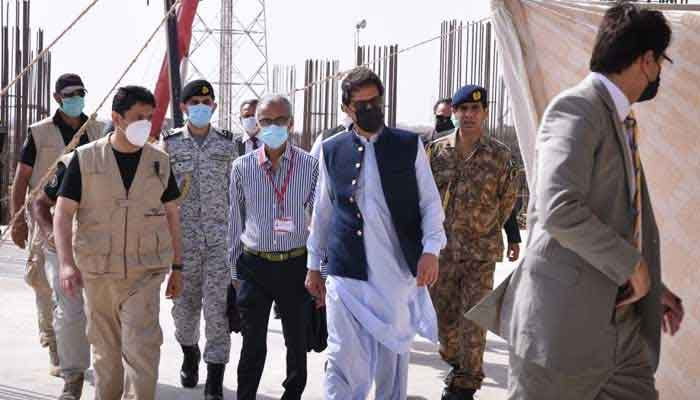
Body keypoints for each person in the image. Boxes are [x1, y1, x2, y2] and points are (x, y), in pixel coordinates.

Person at [467, 3, 684, 399]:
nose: (659, 74)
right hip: (560, 335)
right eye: (661, 62)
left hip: (620, 332)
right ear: (647, 60)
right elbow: (558, 208)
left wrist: (653, 285)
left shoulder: (619, 120)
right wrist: (630, 264)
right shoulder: (577, 109)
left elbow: (613, 219)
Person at [306, 67, 447, 399]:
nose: (371, 110)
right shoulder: (332, 149)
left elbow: (430, 204)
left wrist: (431, 250)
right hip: (346, 274)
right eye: (361, 104)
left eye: (375, 102)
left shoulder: (408, 145)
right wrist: (313, 264)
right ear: (346, 109)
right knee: (342, 358)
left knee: (391, 366)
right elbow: (323, 212)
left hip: (396, 276)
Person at [53, 85, 184, 400]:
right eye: (138, 117)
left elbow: (172, 215)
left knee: (142, 346)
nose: (146, 124)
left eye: (150, 117)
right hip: (99, 274)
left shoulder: (159, 162)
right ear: (116, 118)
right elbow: (62, 214)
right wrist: (67, 264)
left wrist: (178, 266)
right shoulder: (83, 160)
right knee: (106, 355)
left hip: (145, 273)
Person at [427, 85, 519, 400]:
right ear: (453, 113)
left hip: (480, 253)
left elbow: (507, 202)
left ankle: (465, 386)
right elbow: (424, 200)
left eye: (475, 110)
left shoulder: (500, 155)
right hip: (442, 254)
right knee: (444, 324)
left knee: (473, 322)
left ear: (484, 113)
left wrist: (483, 226)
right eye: (462, 109)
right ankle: (456, 364)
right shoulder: (436, 152)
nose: (468, 115)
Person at [10, 73, 104, 376]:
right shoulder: (40, 132)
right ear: (57, 98)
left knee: (83, 291)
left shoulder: (98, 130)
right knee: (45, 285)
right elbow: (22, 178)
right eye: (70, 94)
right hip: (45, 219)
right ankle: (53, 344)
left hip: (87, 221)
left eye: (80, 93)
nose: (76, 98)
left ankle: (74, 347)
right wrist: (17, 221)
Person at [228, 94, 318, 400]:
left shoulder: (310, 166)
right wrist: (233, 271)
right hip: (254, 265)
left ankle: (292, 394)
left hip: (295, 264)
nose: (272, 127)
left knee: (297, 340)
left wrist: (320, 270)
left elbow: (320, 221)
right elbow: (234, 222)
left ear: (291, 124)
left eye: (279, 121)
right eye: (265, 121)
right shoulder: (242, 167)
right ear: (257, 124)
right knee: (252, 343)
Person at [163, 79, 235, 399]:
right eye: (194, 102)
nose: (201, 107)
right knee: (184, 310)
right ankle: (190, 352)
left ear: (214, 107)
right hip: (184, 243)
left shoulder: (229, 145)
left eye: (207, 103)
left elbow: (239, 194)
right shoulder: (170, 145)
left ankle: (215, 377)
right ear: (183, 107)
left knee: (217, 311)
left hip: (220, 242)